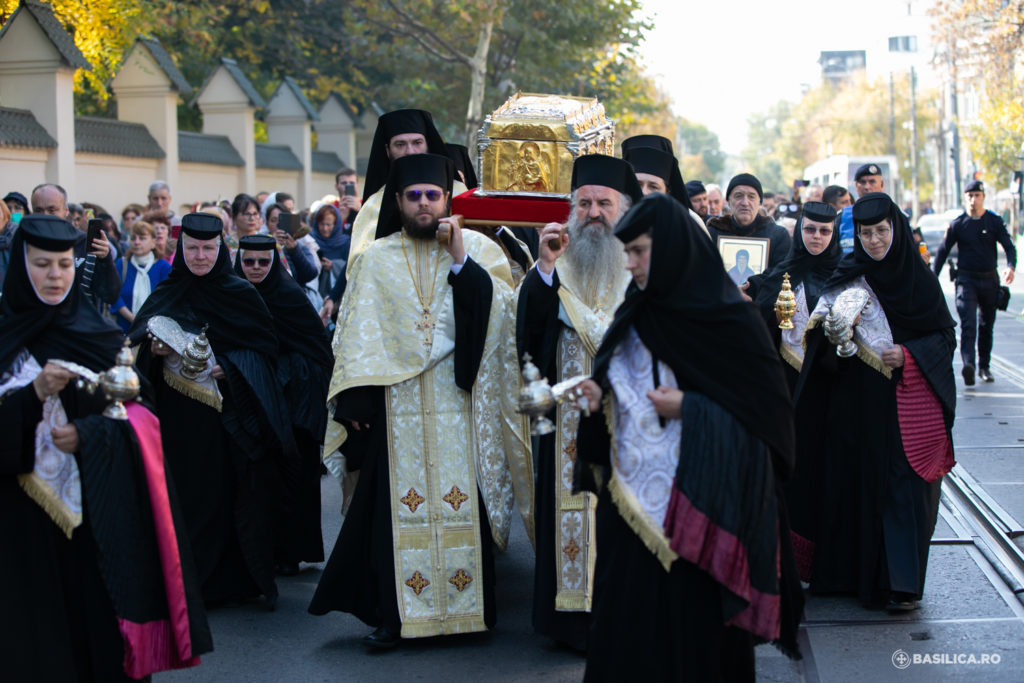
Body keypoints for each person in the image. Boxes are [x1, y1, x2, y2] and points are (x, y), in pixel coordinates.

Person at [572, 194, 800, 680]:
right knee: (627, 637)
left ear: (673, 247)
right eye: (626, 252)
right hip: (631, 515)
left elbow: (772, 426)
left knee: (698, 647)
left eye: (639, 251)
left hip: (705, 515)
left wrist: (692, 409)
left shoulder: (732, 321)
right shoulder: (635, 311)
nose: (629, 263)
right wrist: (598, 396)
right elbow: (618, 384)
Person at [308, 153, 530, 649]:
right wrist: (356, 403)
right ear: (398, 201)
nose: (424, 204)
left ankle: (468, 614)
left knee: (461, 505)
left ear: (447, 199)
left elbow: (500, 320)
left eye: (433, 195)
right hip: (397, 408)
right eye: (414, 196)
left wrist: (460, 261)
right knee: (393, 514)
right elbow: (357, 336)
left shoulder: (477, 250)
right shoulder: (376, 258)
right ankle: (397, 618)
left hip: (458, 403)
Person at [0, 215, 211, 680]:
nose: (55, 276)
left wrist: (90, 434)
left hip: (95, 517)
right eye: (41, 264)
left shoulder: (98, 334)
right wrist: (32, 395)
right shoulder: (5, 339)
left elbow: (144, 415)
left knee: (97, 638)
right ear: (20, 266)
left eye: (63, 264)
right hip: (20, 526)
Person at [792, 192, 956, 612]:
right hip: (852, 404)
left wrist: (908, 355)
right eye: (866, 233)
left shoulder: (920, 280)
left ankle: (900, 584)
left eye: (882, 231)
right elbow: (818, 348)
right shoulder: (848, 275)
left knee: (901, 490)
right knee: (851, 485)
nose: (875, 240)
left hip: (903, 404)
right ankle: (848, 577)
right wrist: (833, 335)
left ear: (896, 229)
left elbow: (943, 339)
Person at [129, 212, 296, 608]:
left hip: (226, 419)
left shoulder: (241, 293)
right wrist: (153, 350)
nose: (200, 256)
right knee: (180, 496)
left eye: (207, 248)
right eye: (192, 248)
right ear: (181, 249)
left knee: (224, 496)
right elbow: (138, 344)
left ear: (221, 248)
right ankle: (183, 582)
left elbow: (265, 349)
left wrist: (232, 366)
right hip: (175, 418)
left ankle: (224, 582)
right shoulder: (167, 291)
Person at [516, 154, 642, 651]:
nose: (594, 213)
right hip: (568, 422)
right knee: (572, 509)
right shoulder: (556, 263)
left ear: (623, 208)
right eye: (584, 203)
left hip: (629, 418)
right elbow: (528, 339)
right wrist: (545, 268)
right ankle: (571, 623)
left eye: (604, 203)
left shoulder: (642, 262)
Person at [235, 234, 332, 575]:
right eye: (249, 261)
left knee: (294, 477)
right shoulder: (233, 295)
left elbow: (318, 349)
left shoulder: (289, 296)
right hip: (251, 401)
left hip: (294, 404)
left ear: (274, 262)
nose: (256, 268)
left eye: (264, 261)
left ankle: (291, 552)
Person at [748, 202, 841, 389]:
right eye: (810, 229)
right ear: (799, 230)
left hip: (827, 373)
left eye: (824, 231)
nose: (817, 236)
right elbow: (761, 318)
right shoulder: (783, 272)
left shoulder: (842, 274)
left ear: (834, 234)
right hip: (784, 372)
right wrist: (775, 316)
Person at [347, 109, 456, 266]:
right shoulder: (374, 205)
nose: (410, 151)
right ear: (388, 151)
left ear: (428, 144)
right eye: (400, 145)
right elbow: (359, 265)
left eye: (417, 143)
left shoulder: (458, 192)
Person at [932, 180, 1016, 385]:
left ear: (983, 197)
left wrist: (1010, 267)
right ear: (965, 197)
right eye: (970, 195)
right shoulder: (958, 224)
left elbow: (1009, 246)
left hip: (989, 280)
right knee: (968, 325)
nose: (973, 199)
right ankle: (968, 365)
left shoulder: (994, 222)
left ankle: (984, 366)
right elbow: (942, 252)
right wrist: (932, 278)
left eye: (977, 195)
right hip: (966, 280)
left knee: (986, 325)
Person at [31, 183, 121, 313]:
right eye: (39, 210)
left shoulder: (84, 243)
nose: (45, 216)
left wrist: (105, 259)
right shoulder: (26, 245)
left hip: (80, 322)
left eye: (52, 210)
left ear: (65, 211)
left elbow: (110, 296)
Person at [707, 173, 792, 274]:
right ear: (728, 201)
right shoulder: (712, 234)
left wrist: (755, 282)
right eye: (738, 196)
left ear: (760, 202)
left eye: (751, 197)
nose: (745, 203)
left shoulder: (778, 236)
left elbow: (781, 273)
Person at [111, 220, 172, 332]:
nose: (137, 242)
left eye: (142, 238)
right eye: (133, 238)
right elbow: (114, 296)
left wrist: (147, 322)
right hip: (124, 328)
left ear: (153, 242)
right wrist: (132, 318)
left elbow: (166, 299)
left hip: (154, 331)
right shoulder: (122, 264)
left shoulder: (163, 267)